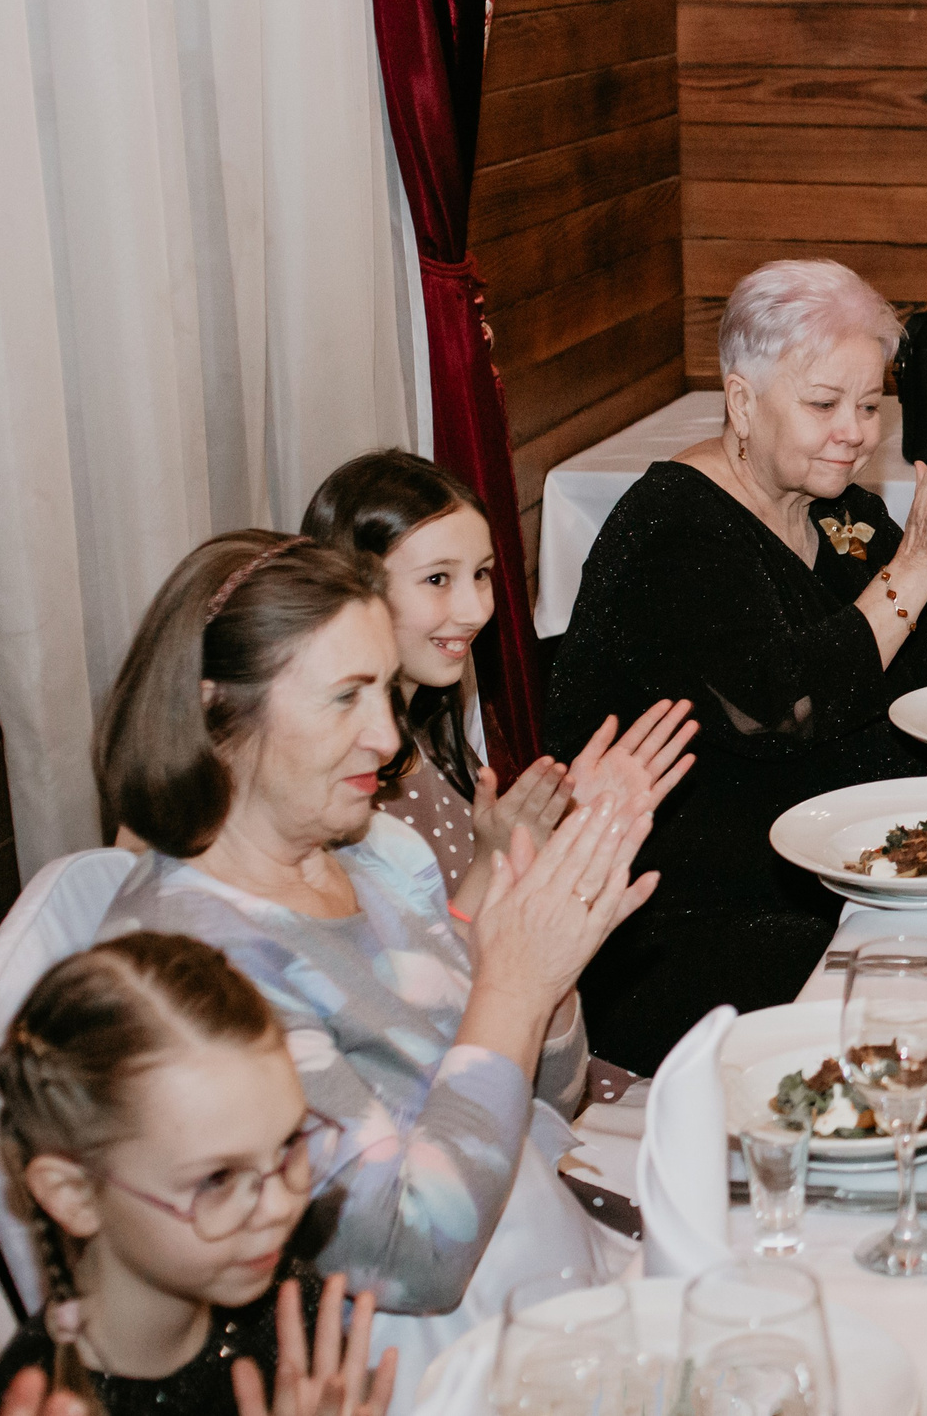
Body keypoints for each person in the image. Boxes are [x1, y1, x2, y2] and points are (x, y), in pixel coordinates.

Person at [93, 532, 657, 1390]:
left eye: (386, 691)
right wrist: (511, 988)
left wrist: (549, 971)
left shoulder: (371, 853)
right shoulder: (187, 962)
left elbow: (547, 1095)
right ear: (216, 709)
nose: (388, 737)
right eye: (346, 697)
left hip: (558, 1274)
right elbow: (410, 1256)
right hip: (433, 1366)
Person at [547, 259, 927, 1069]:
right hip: (701, 927)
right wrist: (918, 563)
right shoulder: (671, 531)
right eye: (824, 404)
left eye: (870, 405)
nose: (857, 431)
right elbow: (788, 706)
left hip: (851, 871)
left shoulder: (839, 511)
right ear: (742, 401)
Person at [304, 451, 690, 1104]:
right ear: (354, 586)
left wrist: (566, 835)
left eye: (481, 574)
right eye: (437, 579)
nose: (474, 608)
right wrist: (501, 862)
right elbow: (429, 1040)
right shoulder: (342, 794)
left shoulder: (428, 738)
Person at [0, 933, 397, 1416]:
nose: (281, 1205)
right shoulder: (40, 1402)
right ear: (74, 1195)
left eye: (289, 1145)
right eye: (217, 1178)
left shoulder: (286, 1304)